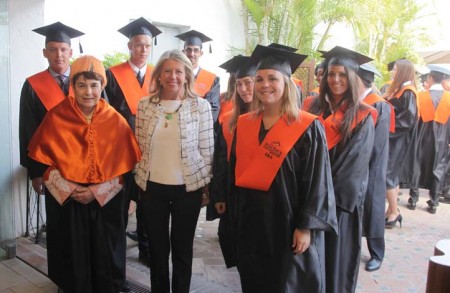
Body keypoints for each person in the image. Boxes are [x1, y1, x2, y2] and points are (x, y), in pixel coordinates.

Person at [226, 44, 338, 293]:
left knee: (285, 284)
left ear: (286, 83)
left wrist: (305, 226)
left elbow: (317, 181)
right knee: (253, 280)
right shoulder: (244, 124)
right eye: (260, 79)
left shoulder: (307, 127)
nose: (265, 85)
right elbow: (235, 172)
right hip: (251, 223)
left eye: (272, 78)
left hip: (287, 223)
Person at [27, 55, 141, 293]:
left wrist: (95, 192)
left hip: (104, 202)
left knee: (104, 250)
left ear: (102, 86)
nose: (88, 92)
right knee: (71, 249)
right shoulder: (56, 117)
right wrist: (71, 189)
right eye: (81, 85)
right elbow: (42, 163)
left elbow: (125, 170)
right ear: (73, 87)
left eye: (94, 85)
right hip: (68, 201)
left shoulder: (116, 121)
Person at [134, 49, 214, 293]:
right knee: (157, 251)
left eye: (179, 71)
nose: (173, 76)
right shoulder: (144, 105)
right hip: (152, 189)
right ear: (158, 75)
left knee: (182, 251)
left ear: (187, 75)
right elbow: (139, 146)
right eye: (167, 71)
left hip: (187, 190)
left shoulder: (200, 107)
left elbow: (207, 150)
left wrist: (206, 187)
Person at [303, 46, 376, 293]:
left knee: (335, 263)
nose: (335, 80)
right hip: (309, 199)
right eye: (331, 74)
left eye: (342, 75)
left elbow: (354, 166)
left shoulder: (362, 115)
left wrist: (321, 199)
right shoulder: (311, 107)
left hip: (338, 207)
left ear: (352, 78)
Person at [104, 16, 162, 267]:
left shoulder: (158, 75)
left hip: (151, 152)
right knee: (119, 208)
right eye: (138, 44)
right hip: (120, 152)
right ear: (129, 46)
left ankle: (147, 252)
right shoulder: (112, 74)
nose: (143, 50)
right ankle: (115, 263)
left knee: (148, 206)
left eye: (147, 45)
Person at [208, 55, 256, 267]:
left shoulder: (274, 121)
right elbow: (220, 161)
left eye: (249, 83)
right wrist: (218, 195)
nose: (244, 89)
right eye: (239, 85)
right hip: (235, 196)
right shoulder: (230, 121)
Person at [19, 22, 83, 177]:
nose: (59, 55)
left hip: (85, 161)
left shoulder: (86, 81)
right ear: (44, 52)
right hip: (50, 164)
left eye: (63, 49)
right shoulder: (32, 85)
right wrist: (35, 173)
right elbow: (28, 131)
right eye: (53, 49)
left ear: (70, 52)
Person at [357, 63, 393, 272]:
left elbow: (378, 143)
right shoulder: (356, 102)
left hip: (372, 166)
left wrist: (364, 164)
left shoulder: (379, 104)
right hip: (355, 166)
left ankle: (377, 253)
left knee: (373, 207)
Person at [405, 64, 450, 214]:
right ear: (443, 80)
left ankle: (413, 199)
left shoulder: (421, 96)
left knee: (417, 165)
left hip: (421, 138)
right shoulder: (449, 98)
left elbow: (412, 120)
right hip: (442, 139)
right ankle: (433, 203)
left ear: (430, 78)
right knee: (438, 169)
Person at [383, 59, 418, 226]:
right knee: (391, 174)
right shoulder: (402, 90)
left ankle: (394, 211)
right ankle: (391, 209)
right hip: (395, 137)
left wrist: (386, 128)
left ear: (403, 71)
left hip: (399, 139)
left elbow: (407, 120)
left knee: (388, 174)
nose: (393, 72)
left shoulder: (409, 92)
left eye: (395, 69)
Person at [175, 30, 220, 123]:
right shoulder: (175, 77)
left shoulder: (211, 79)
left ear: (201, 53)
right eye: (189, 49)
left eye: (196, 50)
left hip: (201, 130)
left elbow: (212, 110)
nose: (192, 54)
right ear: (183, 52)